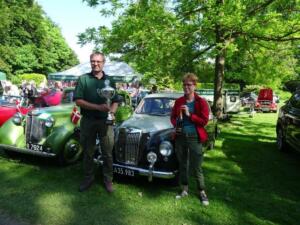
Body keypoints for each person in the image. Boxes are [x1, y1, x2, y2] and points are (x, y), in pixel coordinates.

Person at [74, 52, 119, 193]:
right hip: (88, 120)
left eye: (98, 61)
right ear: (90, 62)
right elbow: (78, 100)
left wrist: (111, 112)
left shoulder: (110, 80)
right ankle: (88, 178)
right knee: (88, 151)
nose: (96, 63)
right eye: (93, 61)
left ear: (103, 62)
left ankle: (108, 180)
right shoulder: (83, 79)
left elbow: (116, 100)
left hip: (106, 122)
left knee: (107, 152)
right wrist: (98, 107)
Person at [170, 73, 210, 206]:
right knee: (182, 164)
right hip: (180, 137)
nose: (186, 87)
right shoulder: (179, 101)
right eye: (184, 84)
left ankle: (202, 191)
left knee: (196, 166)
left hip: (194, 137)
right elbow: (172, 117)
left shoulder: (201, 102)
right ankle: (185, 189)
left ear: (195, 86)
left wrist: (189, 114)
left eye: (189, 84)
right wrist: (176, 123)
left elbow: (204, 121)